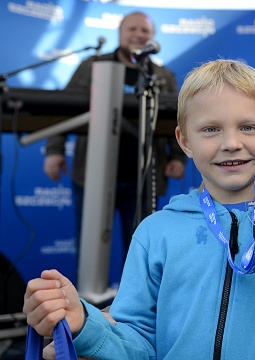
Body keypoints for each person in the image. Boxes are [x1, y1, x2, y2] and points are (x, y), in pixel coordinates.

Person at [24, 59, 255, 359]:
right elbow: (138, 342)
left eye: (248, 127)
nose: (232, 143)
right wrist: (85, 326)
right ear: (184, 141)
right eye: (210, 129)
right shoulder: (155, 232)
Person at [42, 11, 185, 268]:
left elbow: (175, 118)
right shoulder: (92, 66)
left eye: (144, 31)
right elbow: (62, 109)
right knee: (89, 251)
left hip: (142, 179)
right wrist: (55, 150)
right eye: (132, 29)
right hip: (92, 176)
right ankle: (88, 305)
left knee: (141, 250)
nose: (138, 35)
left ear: (152, 37)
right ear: (119, 33)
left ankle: (134, 306)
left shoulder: (163, 77)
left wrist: (176, 157)